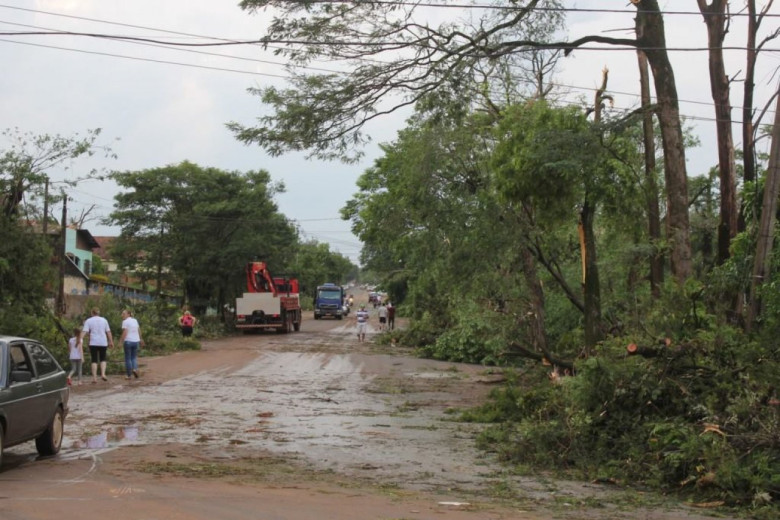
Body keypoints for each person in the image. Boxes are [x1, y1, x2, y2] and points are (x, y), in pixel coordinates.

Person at [78, 307, 114, 383]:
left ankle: (94, 378)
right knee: (103, 358)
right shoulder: (104, 320)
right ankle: (103, 374)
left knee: (94, 359)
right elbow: (108, 332)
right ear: (98, 313)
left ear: (92, 313)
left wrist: (79, 339)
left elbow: (84, 331)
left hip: (93, 342)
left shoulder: (89, 321)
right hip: (103, 342)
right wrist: (111, 341)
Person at [119, 309, 143, 380]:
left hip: (128, 341)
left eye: (124, 314)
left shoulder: (125, 322)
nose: (122, 315)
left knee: (128, 358)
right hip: (136, 341)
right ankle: (135, 369)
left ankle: (129, 375)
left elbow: (125, 332)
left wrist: (121, 341)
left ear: (128, 314)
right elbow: (138, 329)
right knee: (133, 357)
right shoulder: (135, 320)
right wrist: (141, 338)